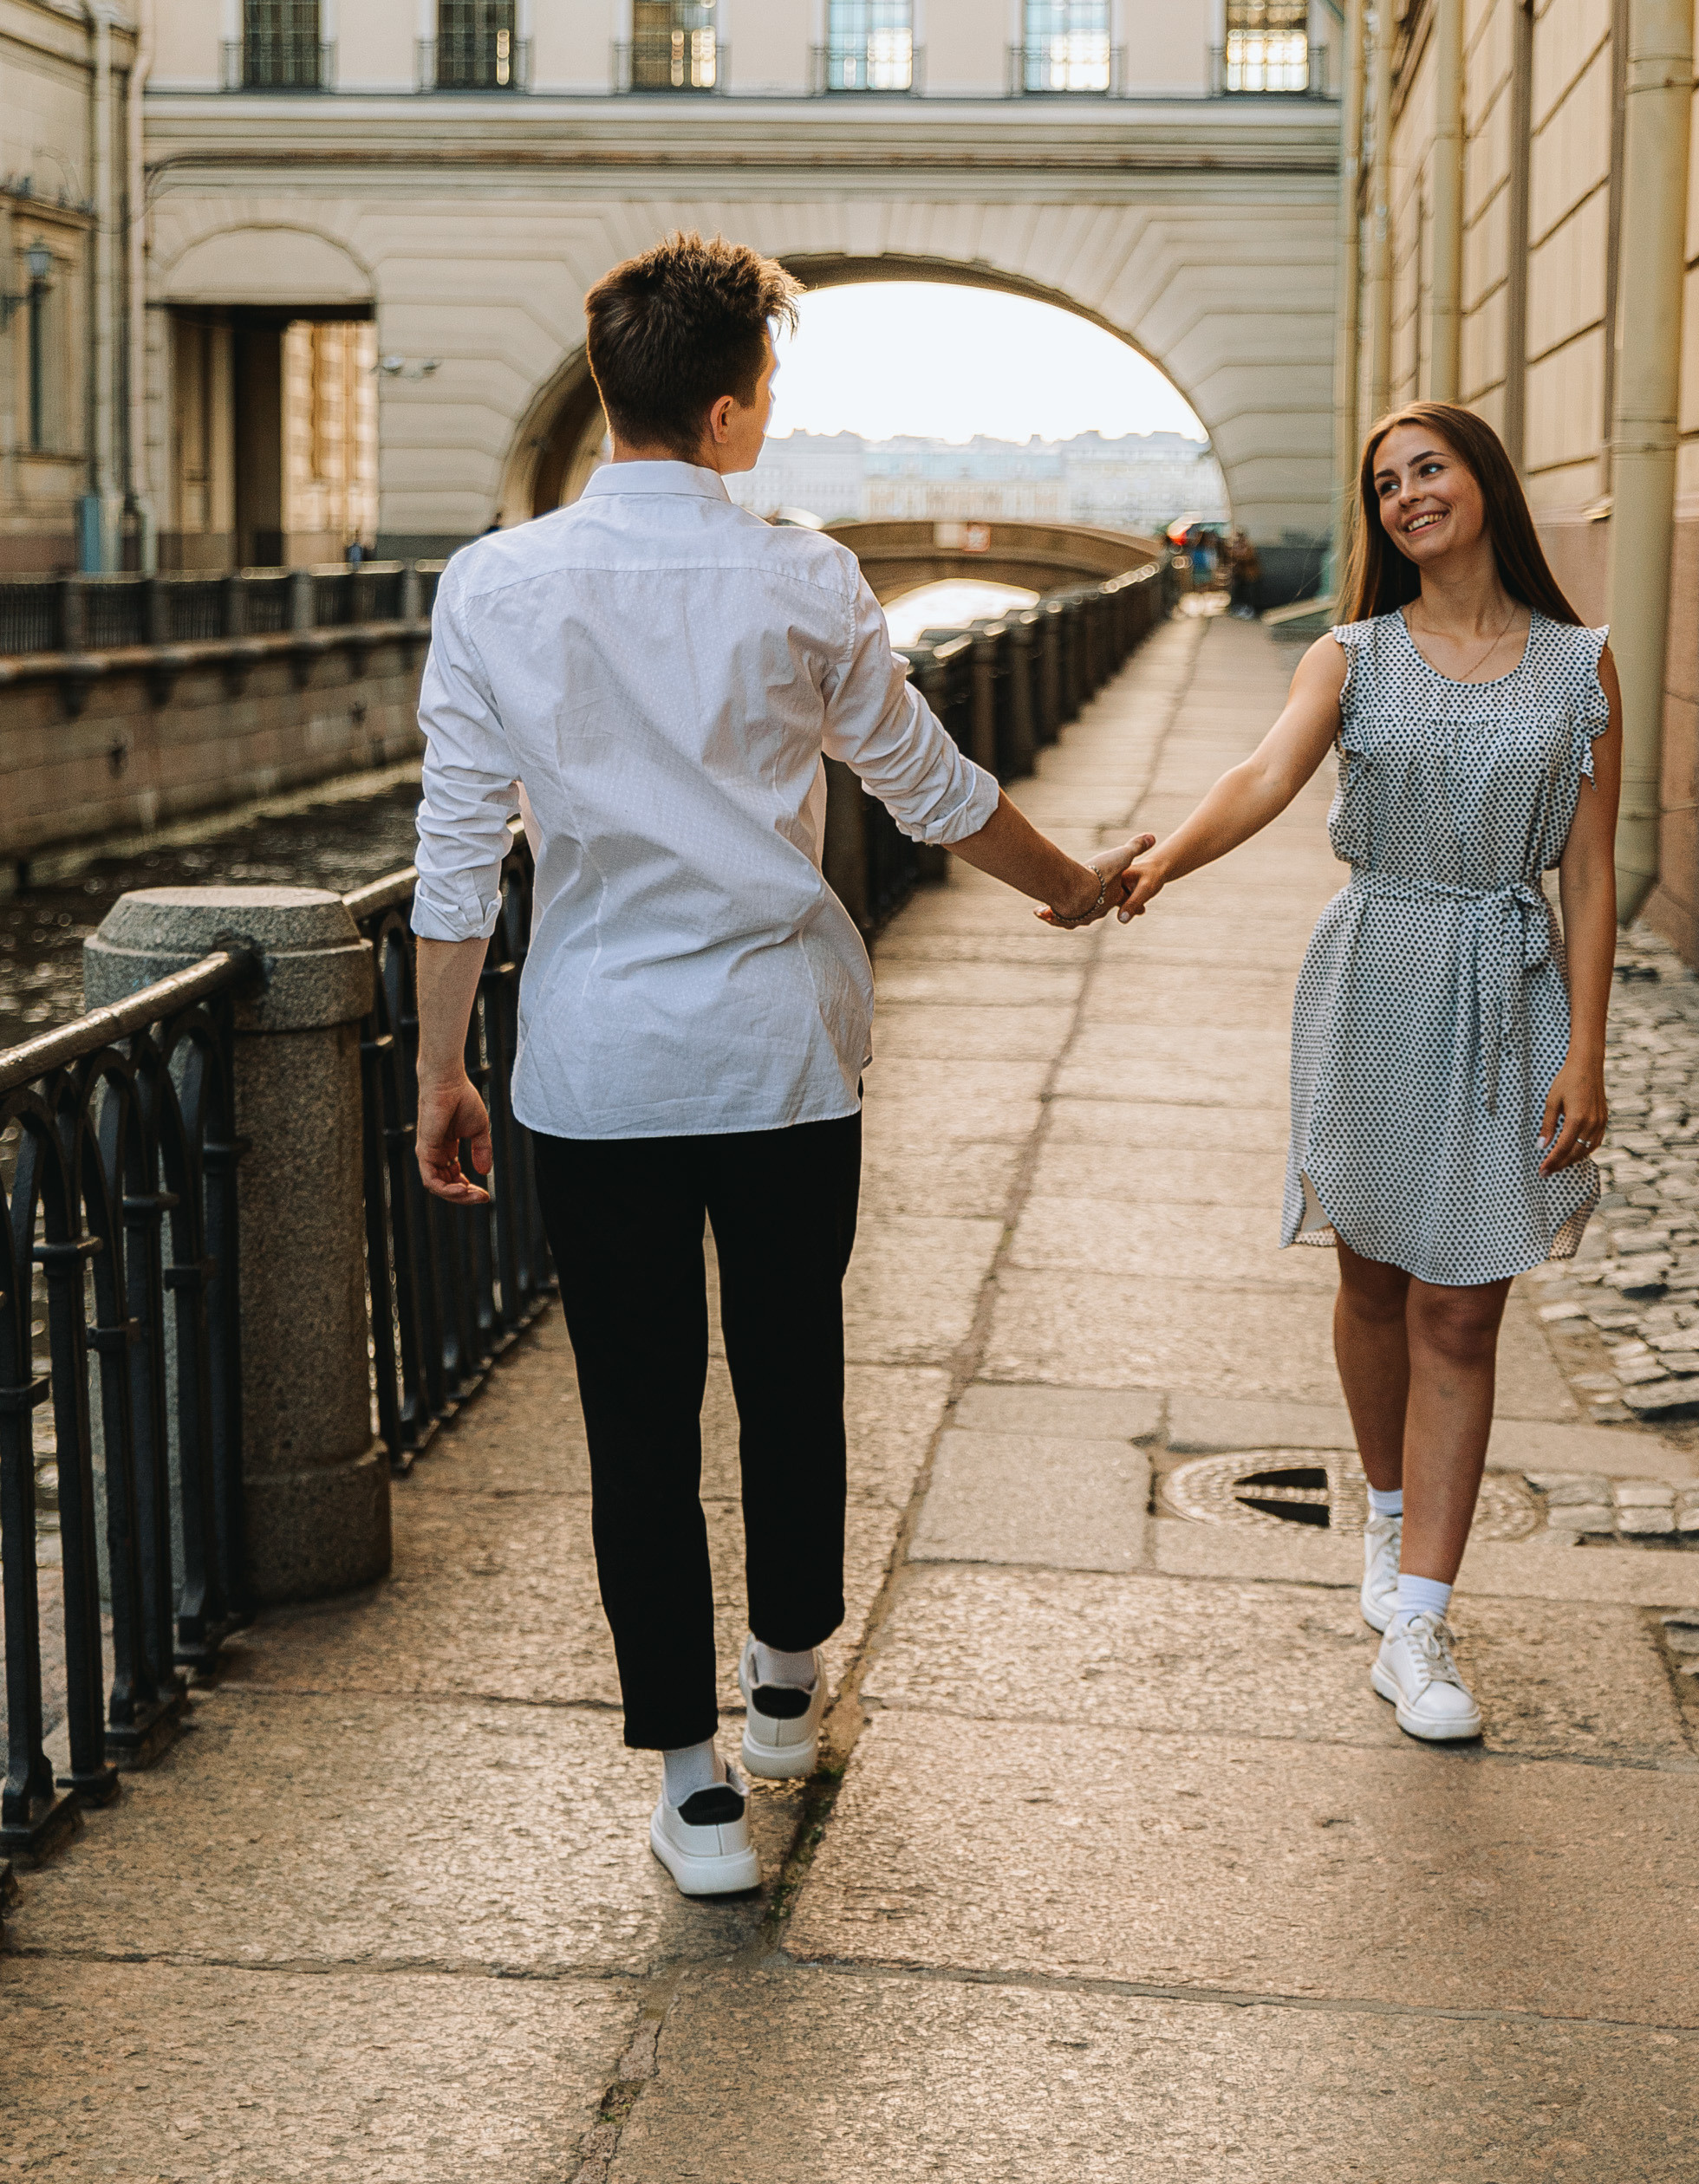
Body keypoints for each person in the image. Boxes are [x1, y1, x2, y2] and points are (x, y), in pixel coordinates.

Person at [407, 232, 1149, 1896]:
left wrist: (441, 1068)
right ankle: (788, 1687)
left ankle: (689, 1785)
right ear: (736, 410)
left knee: (636, 1416)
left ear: (610, 395)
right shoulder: (807, 577)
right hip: (781, 1055)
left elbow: (458, 856)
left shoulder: (494, 585)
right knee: (794, 1366)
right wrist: (1079, 884)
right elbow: (929, 784)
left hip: (595, 1066)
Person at [1116, 401, 1619, 1743]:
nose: (1406, 496)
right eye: (1385, 483)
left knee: (1467, 1307)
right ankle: (1386, 1519)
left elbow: (1591, 867)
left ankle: (1422, 1622)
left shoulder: (1580, 668)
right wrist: (1160, 861)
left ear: (1483, 483)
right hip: (1374, 969)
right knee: (1375, 1274)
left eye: (1428, 469)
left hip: (1507, 986)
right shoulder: (1351, 655)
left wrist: (1590, 1047)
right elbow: (1264, 775)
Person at [1227, 527, 1262, 618]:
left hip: (1250, 576)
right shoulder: (1236, 547)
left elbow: (1247, 558)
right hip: (1240, 576)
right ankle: (1240, 608)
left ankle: (1249, 609)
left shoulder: (1248, 547)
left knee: (1248, 594)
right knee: (1239, 592)